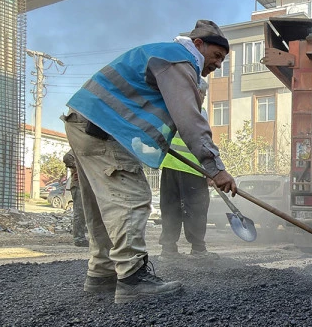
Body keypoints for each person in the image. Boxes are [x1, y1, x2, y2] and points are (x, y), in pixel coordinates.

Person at [63, 20, 236, 304]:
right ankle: (132, 279)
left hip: (87, 121)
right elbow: (190, 119)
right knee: (130, 199)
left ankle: (103, 273)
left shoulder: (163, 56)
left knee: (102, 203)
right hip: (105, 128)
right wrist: (215, 168)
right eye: (217, 56)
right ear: (198, 45)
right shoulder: (178, 60)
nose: (218, 64)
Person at [158, 104, 215, 259]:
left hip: (170, 163)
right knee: (197, 208)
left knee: (170, 207)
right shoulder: (197, 110)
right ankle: (198, 249)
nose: (202, 96)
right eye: (202, 92)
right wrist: (212, 169)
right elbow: (203, 139)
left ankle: (168, 250)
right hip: (192, 167)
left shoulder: (169, 104)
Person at [61, 149, 88, 247]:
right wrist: (79, 169)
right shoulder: (79, 146)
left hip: (89, 186)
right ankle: (79, 239)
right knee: (80, 213)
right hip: (79, 185)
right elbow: (67, 158)